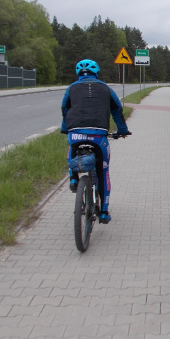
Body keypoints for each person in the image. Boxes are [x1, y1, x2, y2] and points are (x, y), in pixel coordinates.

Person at [60, 59, 130, 224]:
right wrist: (122, 130)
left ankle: (73, 178)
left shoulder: (71, 88)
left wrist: (65, 128)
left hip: (75, 133)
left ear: (79, 74)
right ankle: (104, 212)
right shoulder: (106, 88)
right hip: (99, 137)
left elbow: (64, 109)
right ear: (96, 72)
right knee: (103, 171)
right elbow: (117, 110)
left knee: (73, 146)